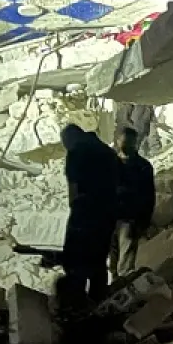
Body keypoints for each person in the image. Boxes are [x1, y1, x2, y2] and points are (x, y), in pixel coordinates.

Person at [60, 124, 119, 303]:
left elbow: (74, 188)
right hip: (107, 214)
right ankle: (98, 300)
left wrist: (75, 210)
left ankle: (75, 301)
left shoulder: (76, 151)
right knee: (99, 259)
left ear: (70, 139)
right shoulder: (108, 153)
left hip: (85, 212)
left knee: (76, 258)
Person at [111, 127, 156, 277]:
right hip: (109, 218)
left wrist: (144, 222)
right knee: (110, 264)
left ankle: (121, 290)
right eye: (124, 142)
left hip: (129, 220)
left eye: (130, 143)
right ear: (117, 141)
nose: (127, 145)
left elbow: (149, 196)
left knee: (125, 266)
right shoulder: (109, 164)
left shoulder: (143, 167)